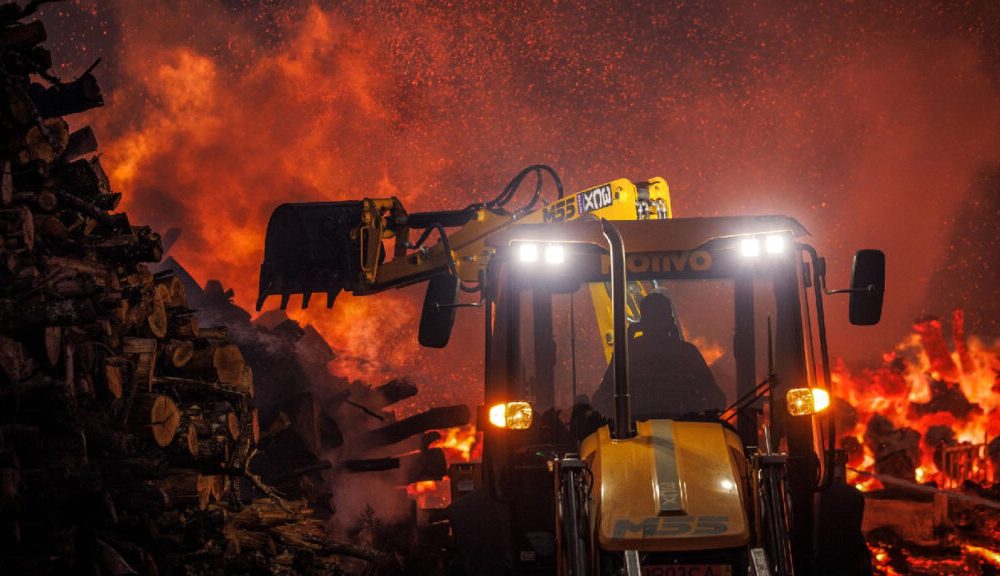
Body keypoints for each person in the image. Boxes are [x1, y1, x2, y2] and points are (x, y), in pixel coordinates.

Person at [590, 292, 725, 421]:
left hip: (631, 434)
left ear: (641, 323)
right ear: (670, 321)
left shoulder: (626, 355)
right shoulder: (687, 352)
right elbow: (717, 400)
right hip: (688, 431)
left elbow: (600, 400)